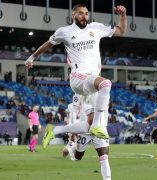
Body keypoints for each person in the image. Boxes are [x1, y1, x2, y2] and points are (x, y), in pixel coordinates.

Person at [25, 3, 127, 139]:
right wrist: (32, 57)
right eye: (80, 13)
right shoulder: (64, 31)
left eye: (86, 13)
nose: (84, 16)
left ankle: (55, 130)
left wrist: (123, 16)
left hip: (92, 81)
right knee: (106, 83)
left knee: (88, 125)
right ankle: (97, 126)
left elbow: (121, 31)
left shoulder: (96, 28)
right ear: (73, 15)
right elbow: (48, 44)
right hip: (78, 78)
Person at [62, 93, 111, 180]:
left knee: (104, 157)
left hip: (100, 128)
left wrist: (104, 125)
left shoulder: (103, 91)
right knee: (78, 157)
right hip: (85, 130)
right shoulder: (80, 93)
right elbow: (75, 111)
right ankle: (71, 146)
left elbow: (105, 110)